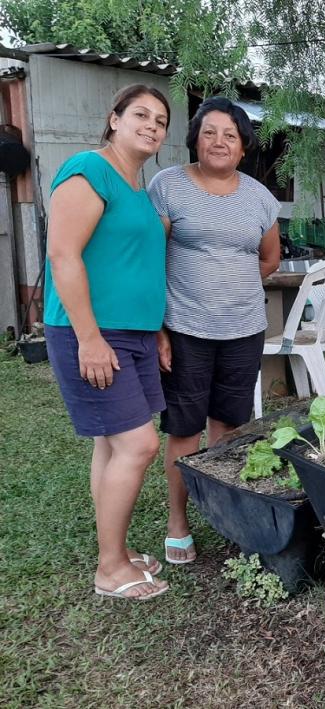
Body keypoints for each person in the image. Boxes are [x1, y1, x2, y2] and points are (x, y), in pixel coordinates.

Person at [44, 85, 172, 600]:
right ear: (113, 119)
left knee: (111, 441)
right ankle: (109, 569)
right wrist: (89, 339)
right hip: (96, 333)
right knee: (139, 445)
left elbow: (135, 265)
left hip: (136, 333)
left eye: (160, 121)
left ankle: (114, 548)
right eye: (140, 114)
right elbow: (63, 256)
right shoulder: (88, 170)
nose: (152, 126)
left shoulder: (136, 188)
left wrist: (157, 329)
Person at [148, 97, 281, 565]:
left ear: (243, 146)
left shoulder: (260, 197)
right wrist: (160, 327)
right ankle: (178, 521)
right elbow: (152, 258)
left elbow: (269, 258)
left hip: (244, 329)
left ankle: (222, 512)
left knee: (229, 423)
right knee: (184, 428)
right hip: (185, 328)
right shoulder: (168, 187)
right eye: (210, 132)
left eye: (230, 134)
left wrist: (233, 287)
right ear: (195, 139)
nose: (219, 142)